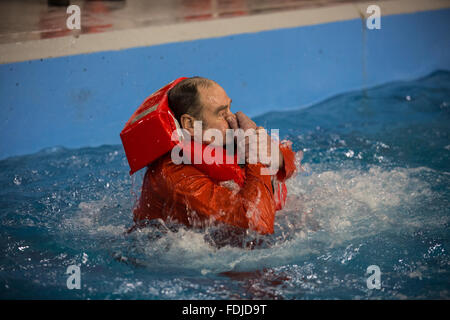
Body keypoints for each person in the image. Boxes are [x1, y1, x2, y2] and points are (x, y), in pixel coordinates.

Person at [132, 77, 297, 235]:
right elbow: (257, 224)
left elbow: (291, 163)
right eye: (221, 113)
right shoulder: (174, 175)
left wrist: (275, 155)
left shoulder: (221, 140)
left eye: (229, 108)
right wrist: (256, 158)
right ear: (190, 124)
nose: (232, 117)